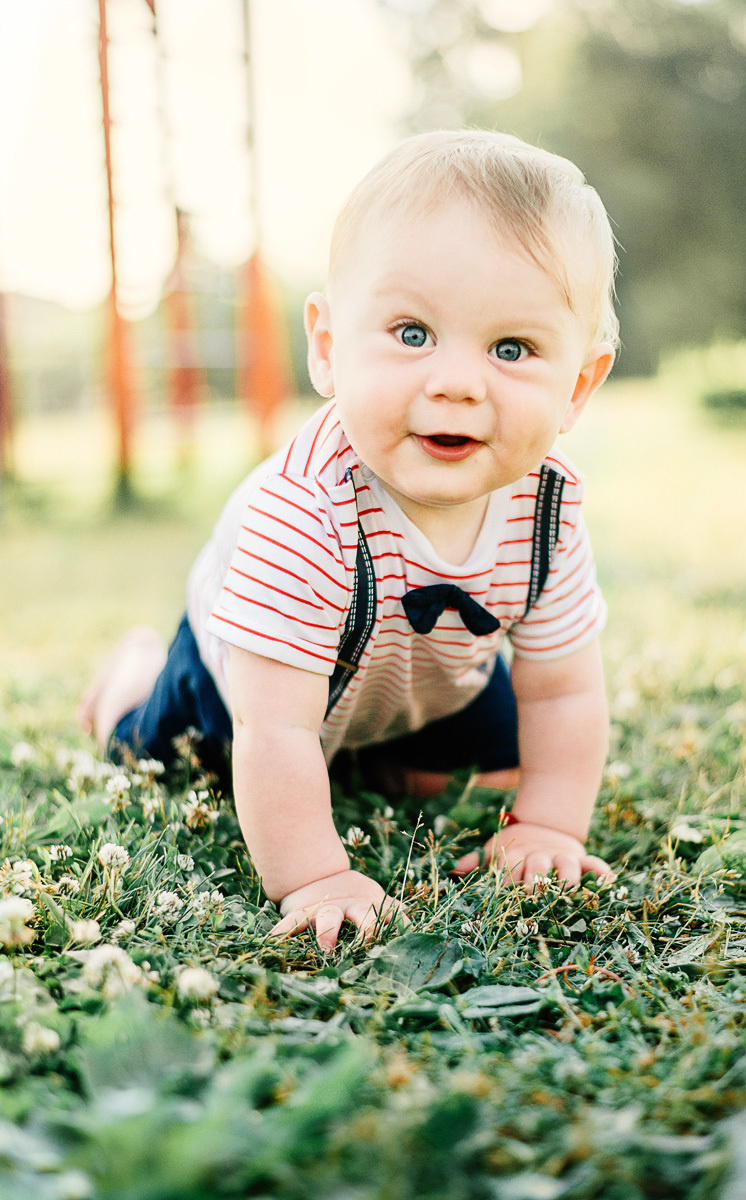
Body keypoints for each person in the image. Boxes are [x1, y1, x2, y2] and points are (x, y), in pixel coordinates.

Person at [80, 129, 619, 951]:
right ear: (328, 348)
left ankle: (373, 749)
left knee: (498, 768)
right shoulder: (303, 512)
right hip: (251, 690)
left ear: (578, 385)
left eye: (512, 348)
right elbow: (277, 733)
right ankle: (130, 678)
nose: (456, 381)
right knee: (168, 758)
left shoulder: (547, 508)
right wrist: (316, 875)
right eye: (412, 333)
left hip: (425, 679)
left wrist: (548, 826)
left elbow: (564, 693)